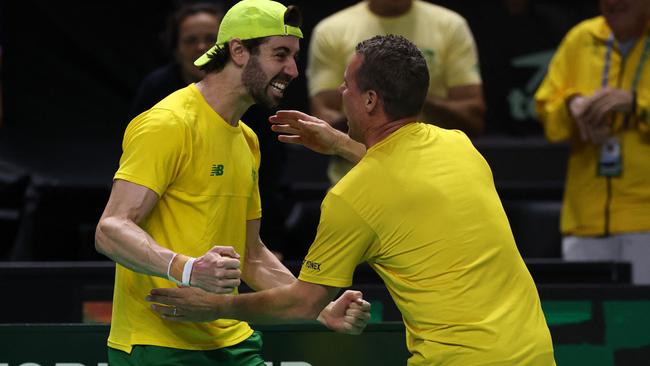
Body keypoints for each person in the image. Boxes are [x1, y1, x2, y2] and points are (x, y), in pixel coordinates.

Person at [147, 34, 556, 366]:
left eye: (346, 85)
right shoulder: (459, 146)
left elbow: (302, 304)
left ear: (370, 100)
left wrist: (215, 306)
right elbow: (402, 178)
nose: (340, 92)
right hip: (534, 351)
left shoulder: (352, 198)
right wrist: (342, 143)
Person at [95, 0, 370, 364]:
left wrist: (322, 308)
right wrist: (188, 269)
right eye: (280, 54)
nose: (292, 70)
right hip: (159, 345)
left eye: (293, 57)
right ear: (239, 51)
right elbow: (110, 229)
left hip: (233, 342)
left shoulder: (247, 139)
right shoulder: (168, 123)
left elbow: (252, 254)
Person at [307, 0, 486, 184]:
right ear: (370, 98)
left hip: (437, 182)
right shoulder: (332, 30)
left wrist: (407, 92)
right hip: (357, 184)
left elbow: (472, 119)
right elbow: (324, 119)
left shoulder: (450, 26)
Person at [534, 0, 650, 284]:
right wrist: (572, 107)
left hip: (645, 220)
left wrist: (636, 105)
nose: (613, 3)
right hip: (585, 218)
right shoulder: (581, 38)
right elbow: (548, 115)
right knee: (590, 323)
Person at [129, 2, 223, 118]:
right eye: (191, 40)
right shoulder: (156, 86)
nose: (201, 47)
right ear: (176, 49)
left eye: (211, 39)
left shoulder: (244, 86)